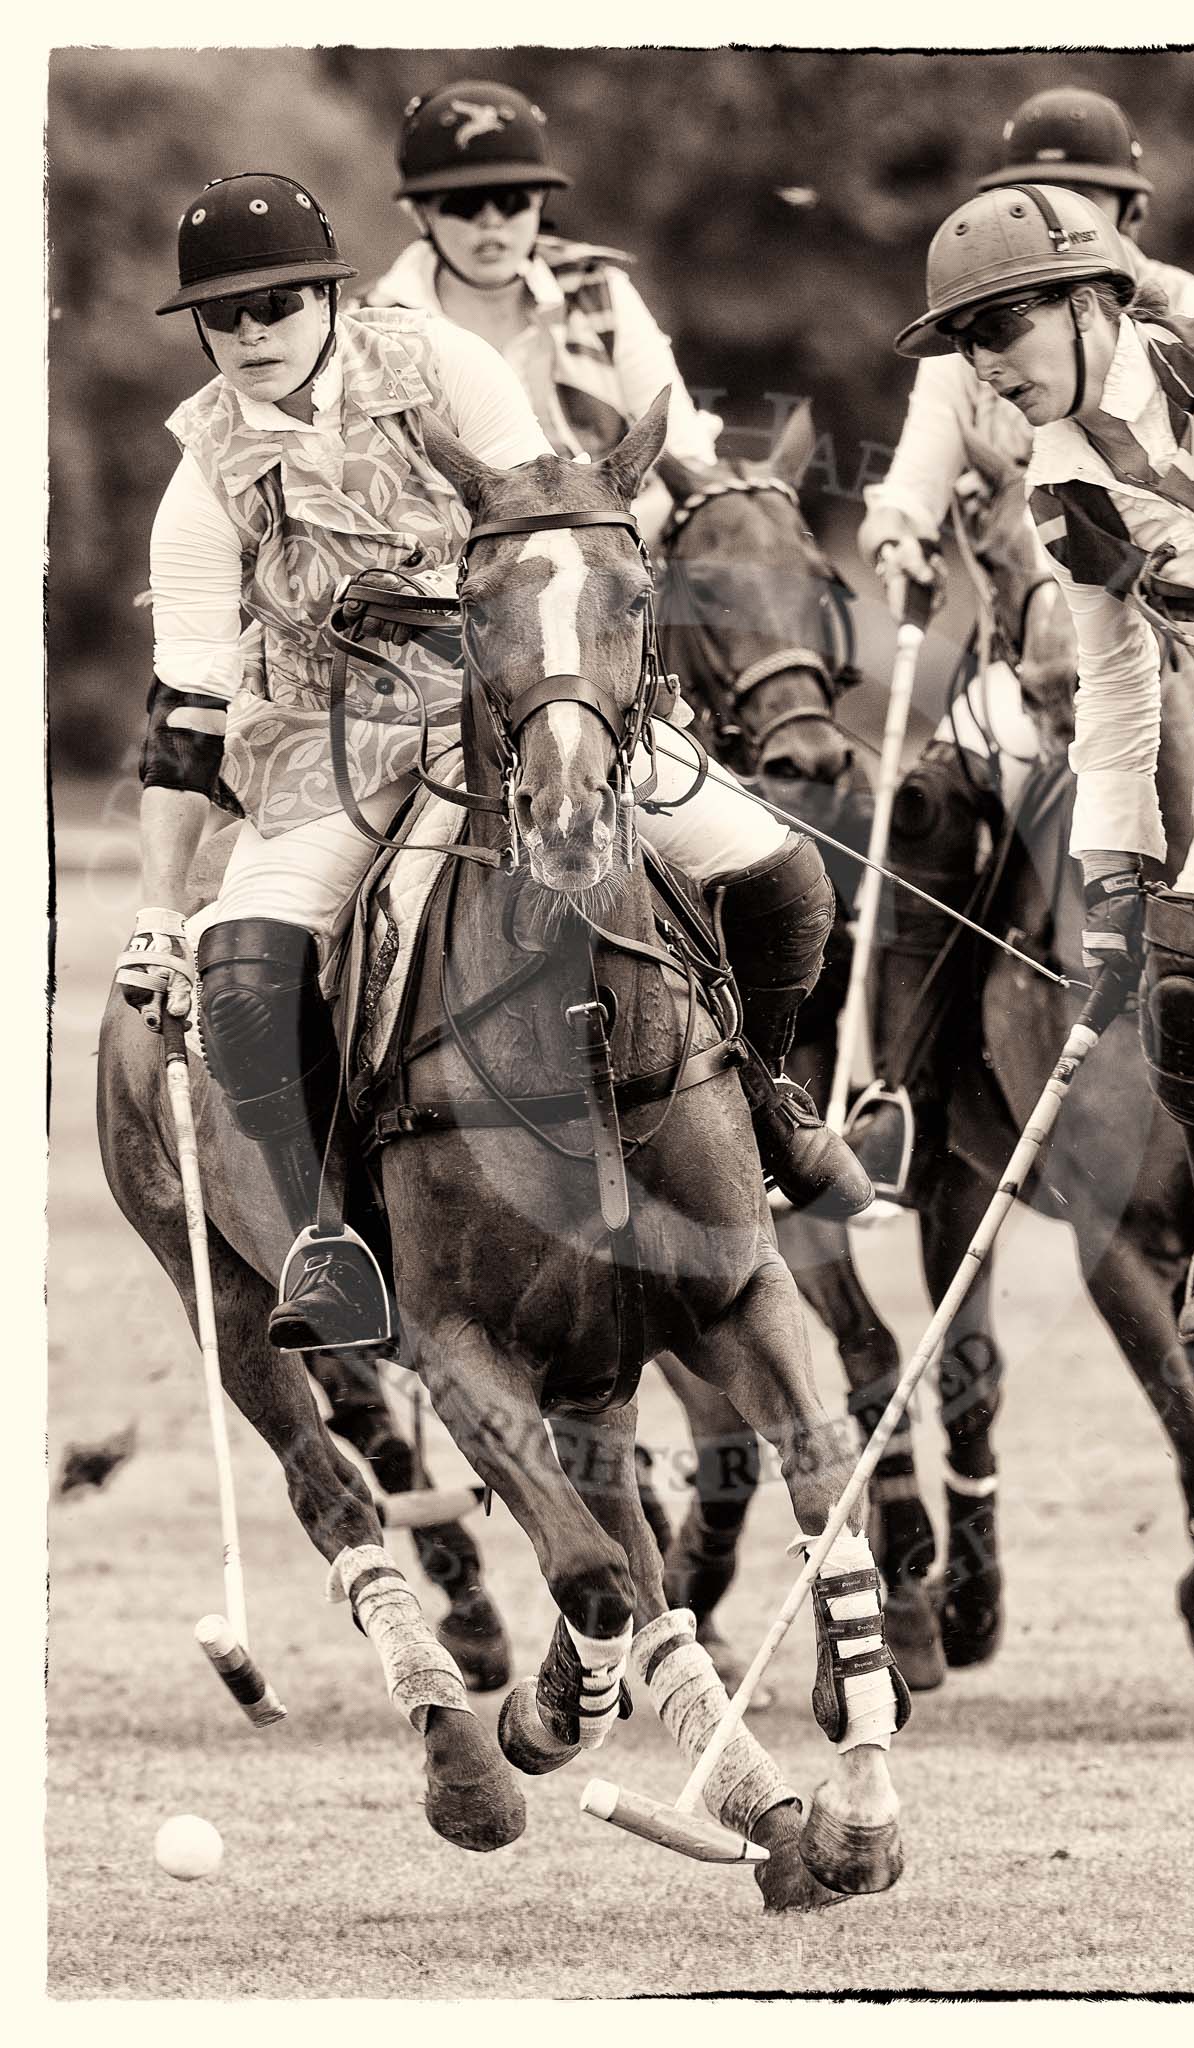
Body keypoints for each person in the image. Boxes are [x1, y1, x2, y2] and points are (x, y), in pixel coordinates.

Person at [115, 170, 870, 1357]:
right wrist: (161, 905)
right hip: (333, 753)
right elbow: (185, 708)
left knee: (786, 877)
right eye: (225, 316)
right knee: (245, 980)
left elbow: (556, 518)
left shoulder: (445, 365)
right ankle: (328, 1240)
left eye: (276, 305)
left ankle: (768, 1099)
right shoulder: (199, 477)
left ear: (328, 295)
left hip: (526, 708)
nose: (252, 334)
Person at [893, 180, 1194, 1349]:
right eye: (963, 343)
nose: (982, 365)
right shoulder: (1065, 484)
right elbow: (1118, 683)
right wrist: (1116, 875)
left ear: (1089, 301)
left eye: (997, 328)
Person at [850, 89, 1194, 1164]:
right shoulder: (967, 354)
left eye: (1090, 200)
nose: (1066, 210)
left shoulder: (1190, 315)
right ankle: (908, 1097)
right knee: (924, 809)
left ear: (1127, 219)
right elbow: (911, 478)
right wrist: (897, 530)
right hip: (1032, 662)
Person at [364, 79, 720, 543]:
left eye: (513, 200)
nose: (492, 221)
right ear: (420, 213)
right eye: (465, 203)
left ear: (540, 203)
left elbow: (689, 460)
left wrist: (596, 545)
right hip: (455, 581)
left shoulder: (601, 292)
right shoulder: (369, 326)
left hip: (616, 559)